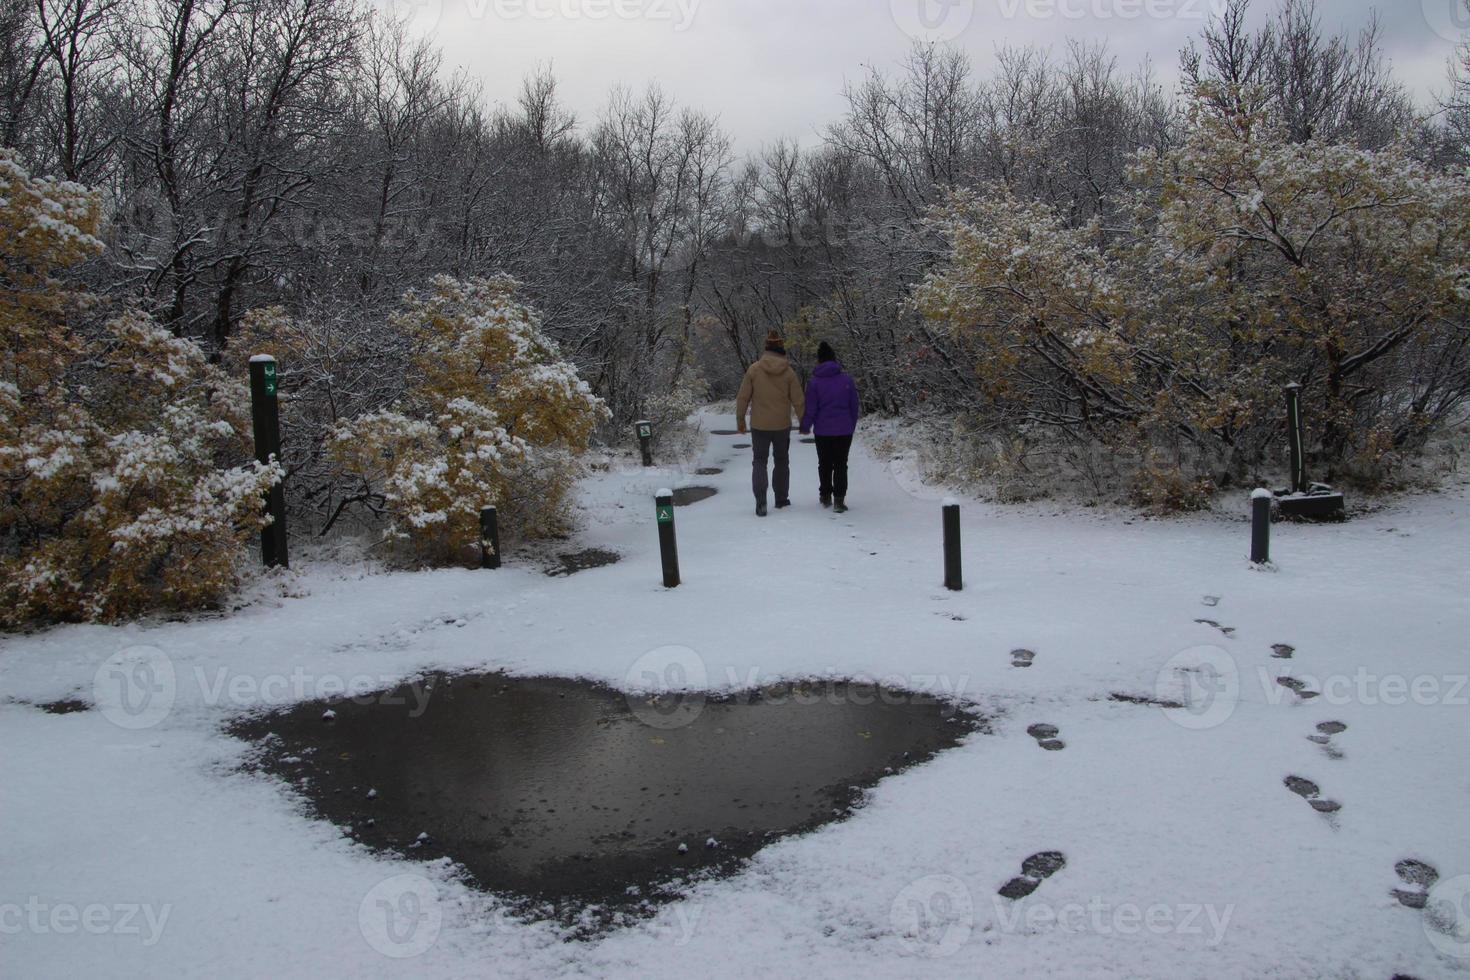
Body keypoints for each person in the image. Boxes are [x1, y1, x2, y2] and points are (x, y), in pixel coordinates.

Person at [736, 331, 805, 517]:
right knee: (781, 460)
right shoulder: (788, 372)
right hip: (782, 425)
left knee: (759, 461)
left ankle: (761, 500)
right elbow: (798, 399)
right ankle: (781, 499)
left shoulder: (754, 369)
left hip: (759, 425)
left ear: (766, 349)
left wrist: (740, 420)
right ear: (781, 348)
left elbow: (743, 398)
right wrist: (804, 421)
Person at [799, 341, 860, 513]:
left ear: (819, 360)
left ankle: (825, 495)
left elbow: (811, 408)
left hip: (823, 430)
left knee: (824, 463)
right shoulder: (846, 380)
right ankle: (839, 500)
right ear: (834, 359)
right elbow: (854, 406)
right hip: (844, 430)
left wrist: (805, 425)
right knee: (841, 464)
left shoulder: (814, 383)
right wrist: (851, 425)